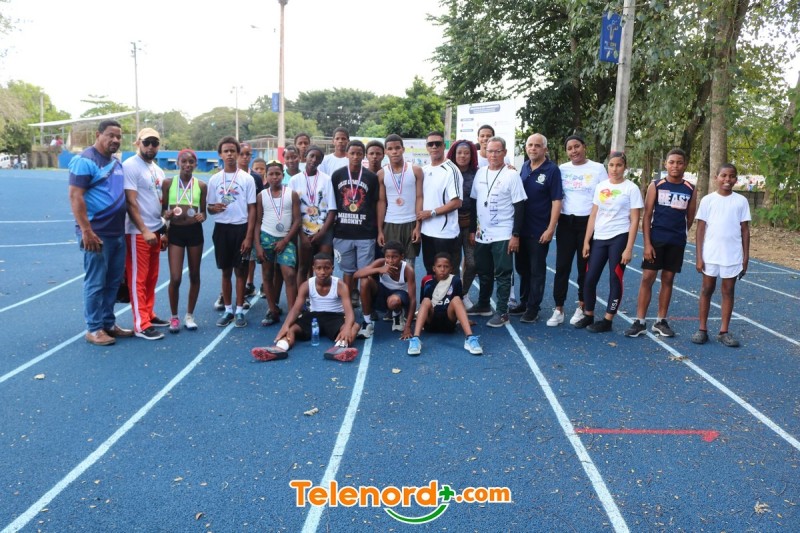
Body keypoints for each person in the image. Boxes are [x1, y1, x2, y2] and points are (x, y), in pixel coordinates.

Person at [68, 119, 132, 346]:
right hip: (96, 233)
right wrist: (86, 230)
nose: (115, 140)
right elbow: (75, 196)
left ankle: (108, 322)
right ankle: (94, 328)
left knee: (113, 281)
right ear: (98, 135)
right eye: (110, 135)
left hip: (117, 233)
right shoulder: (85, 161)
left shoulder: (116, 163)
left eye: (118, 136)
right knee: (96, 282)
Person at [625, 148, 697, 338]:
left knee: (668, 279)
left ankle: (660, 321)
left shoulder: (690, 188)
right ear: (666, 164)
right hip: (656, 240)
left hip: (676, 242)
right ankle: (640, 321)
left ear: (685, 165)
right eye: (671, 162)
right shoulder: (656, 185)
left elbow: (690, 218)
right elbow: (647, 216)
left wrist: (679, 234)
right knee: (647, 278)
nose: (675, 166)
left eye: (679, 162)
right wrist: (647, 244)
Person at [578, 151, 643, 332]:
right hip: (599, 238)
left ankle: (607, 320)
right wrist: (586, 241)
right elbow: (593, 214)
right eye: (612, 165)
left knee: (615, 278)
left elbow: (635, 220)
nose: (615, 169)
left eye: (619, 165)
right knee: (589, 278)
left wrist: (629, 248)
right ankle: (588, 315)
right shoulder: (601, 186)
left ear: (625, 167)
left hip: (619, 237)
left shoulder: (631, 189)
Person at [251, 253, 359, 362]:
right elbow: (296, 309)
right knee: (291, 328)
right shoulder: (307, 285)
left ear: (332, 268)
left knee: (353, 326)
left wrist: (347, 328)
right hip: (314, 317)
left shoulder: (340, 285)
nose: (322, 272)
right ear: (313, 269)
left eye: (326, 268)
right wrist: (285, 326)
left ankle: (339, 349)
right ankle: (279, 348)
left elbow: (349, 312)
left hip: (335, 317)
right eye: (319, 268)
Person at [467, 136, 527, 327]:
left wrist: (515, 235)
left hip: (503, 233)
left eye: (497, 151)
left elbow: (519, 206)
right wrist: (472, 230)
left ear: (504, 153)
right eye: (490, 151)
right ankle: (484, 304)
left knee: (503, 274)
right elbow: (473, 202)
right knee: (484, 271)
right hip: (482, 233)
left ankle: (502, 312)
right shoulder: (480, 173)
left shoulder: (511, 175)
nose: (493, 155)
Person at [548, 135, 607, 327]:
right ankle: (559, 308)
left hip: (588, 223)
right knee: (562, 267)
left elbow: (605, 195)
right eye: (570, 148)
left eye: (577, 146)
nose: (574, 151)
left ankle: (582, 306)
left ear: (584, 147)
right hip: (566, 222)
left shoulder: (598, 168)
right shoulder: (562, 169)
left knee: (584, 268)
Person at [692, 164, 751, 348]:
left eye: (731, 176)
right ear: (716, 177)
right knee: (707, 289)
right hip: (711, 254)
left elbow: (745, 230)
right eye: (723, 175)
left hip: (732, 255)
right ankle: (702, 329)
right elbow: (700, 229)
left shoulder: (741, 201)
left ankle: (724, 331)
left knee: (728, 291)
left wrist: (746, 257)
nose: (727, 179)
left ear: (736, 179)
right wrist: (699, 256)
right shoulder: (708, 200)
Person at [123, 127, 169, 340]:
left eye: (155, 143)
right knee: (138, 278)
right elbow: (130, 202)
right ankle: (141, 324)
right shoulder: (130, 166)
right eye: (146, 142)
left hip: (156, 230)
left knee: (152, 276)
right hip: (138, 232)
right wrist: (143, 229)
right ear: (138, 143)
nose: (151, 146)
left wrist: (164, 228)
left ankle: (149, 313)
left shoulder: (158, 170)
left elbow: (160, 203)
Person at [206, 136, 257, 328]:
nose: (229, 154)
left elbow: (252, 208)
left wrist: (249, 236)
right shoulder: (214, 180)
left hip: (241, 228)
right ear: (220, 154)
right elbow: (210, 208)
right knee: (225, 271)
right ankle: (228, 310)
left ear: (237, 153)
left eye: (232, 151)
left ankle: (240, 310)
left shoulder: (247, 179)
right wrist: (213, 209)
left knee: (240, 272)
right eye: (225, 151)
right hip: (222, 229)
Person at [515, 133, 562, 323]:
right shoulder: (524, 166)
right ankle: (524, 301)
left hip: (539, 230)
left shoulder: (552, 170)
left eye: (537, 145)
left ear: (545, 149)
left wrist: (551, 228)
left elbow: (557, 201)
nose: (533, 148)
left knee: (537, 271)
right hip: (521, 229)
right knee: (522, 268)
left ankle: (533, 308)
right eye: (530, 145)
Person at [161, 149, 207, 333]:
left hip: (194, 232)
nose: (188, 165)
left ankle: (189, 315)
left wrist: (202, 216)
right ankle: (174, 317)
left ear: (195, 164)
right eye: (184, 161)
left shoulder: (201, 185)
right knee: (176, 277)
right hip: (175, 232)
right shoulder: (168, 183)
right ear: (178, 162)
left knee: (194, 275)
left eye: (191, 162)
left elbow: (203, 212)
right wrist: (166, 214)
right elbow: (162, 210)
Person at [331, 140, 380, 308]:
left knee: (365, 272)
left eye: (359, 153)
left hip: (365, 233)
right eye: (352, 153)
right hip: (342, 232)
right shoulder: (337, 175)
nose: (355, 156)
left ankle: (368, 306)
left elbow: (375, 204)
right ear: (346, 154)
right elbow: (333, 202)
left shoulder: (371, 177)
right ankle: (349, 302)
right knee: (348, 271)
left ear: (363, 155)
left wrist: (376, 229)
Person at [407, 252, 483, 356]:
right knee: (426, 300)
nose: (442, 269)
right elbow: (423, 305)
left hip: (449, 322)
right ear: (434, 268)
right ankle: (416, 339)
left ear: (451, 269)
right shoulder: (426, 280)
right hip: (431, 322)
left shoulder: (455, 281)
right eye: (439, 266)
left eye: (446, 267)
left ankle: (470, 338)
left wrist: (465, 320)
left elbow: (459, 305)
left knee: (456, 299)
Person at [254, 160, 301, 326]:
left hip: (285, 239)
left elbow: (297, 220)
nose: (275, 177)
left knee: (290, 274)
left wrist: (285, 240)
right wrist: (258, 246)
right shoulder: (262, 196)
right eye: (271, 174)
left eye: (278, 174)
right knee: (267, 275)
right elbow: (257, 222)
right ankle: (272, 310)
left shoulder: (291, 194)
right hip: (266, 238)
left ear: (283, 175)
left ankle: (292, 314)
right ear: (266, 176)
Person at [288, 145, 337, 289]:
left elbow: (332, 210)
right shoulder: (294, 180)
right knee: (303, 267)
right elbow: (292, 211)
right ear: (305, 157)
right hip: (303, 231)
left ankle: (325, 297)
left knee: (325, 267)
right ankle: (302, 298)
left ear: (321, 161)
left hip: (324, 230)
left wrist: (322, 233)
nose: (314, 160)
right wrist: (301, 235)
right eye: (311, 156)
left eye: (318, 158)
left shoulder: (326, 179)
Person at [419, 131, 463, 274]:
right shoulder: (424, 170)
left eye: (437, 144)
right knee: (430, 272)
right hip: (426, 232)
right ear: (427, 147)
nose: (434, 147)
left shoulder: (452, 170)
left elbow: (457, 202)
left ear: (444, 146)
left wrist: (431, 213)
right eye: (430, 144)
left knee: (447, 276)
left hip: (445, 234)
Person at [354, 240, 417, 339]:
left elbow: (413, 299)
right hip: (382, 293)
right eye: (388, 257)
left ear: (402, 257)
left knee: (394, 301)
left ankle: (397, 314)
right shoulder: (381, 263)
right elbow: (356, 274)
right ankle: (367, 322)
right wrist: (379, 269)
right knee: (364, 280)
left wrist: (408, 326)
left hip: (399, 296)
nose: (390, 260)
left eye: (394, 257)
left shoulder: (408, 270)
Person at [377, 134, 423, 263]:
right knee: (392, 265)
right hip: (390, 223)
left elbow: (419, 198)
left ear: (403, 149)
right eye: (390, 149)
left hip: (411, 222)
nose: (394, 152)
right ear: (385, 151)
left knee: (409, 265)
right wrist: (380, 230)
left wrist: (418, 226)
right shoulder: (381, 174)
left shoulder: (416, 170)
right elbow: (381, 202)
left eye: (397, 148)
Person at [446, 140, 479, 310]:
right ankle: (454, 296)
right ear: (453, 154)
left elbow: (477, 202)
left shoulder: (477, 174)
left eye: (466, 153)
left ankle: (463, 293)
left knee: (472, 263)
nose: (463, 156)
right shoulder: (447, 172)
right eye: (459, 152)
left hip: (469, 224)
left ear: (472, 155)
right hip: (450, 224)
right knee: (453, 263)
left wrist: (473, 229)